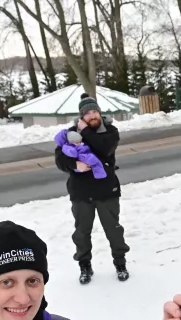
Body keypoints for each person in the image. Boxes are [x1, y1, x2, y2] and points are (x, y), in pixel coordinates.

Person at [55, 93, 130, 284]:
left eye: (96, 111)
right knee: (82, 233)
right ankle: (84, 265)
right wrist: (74, 165)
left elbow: (103, 149)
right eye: (88, 113)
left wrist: (85, 130)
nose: (93, 115)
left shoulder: (110, 131)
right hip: (81, 193)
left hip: (107, 192)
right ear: (82, 116)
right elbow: (59, 158)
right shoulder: (70, 134)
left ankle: (120, 263)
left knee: (114, 230)